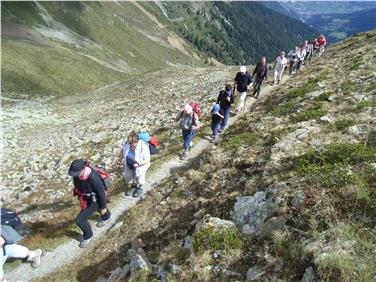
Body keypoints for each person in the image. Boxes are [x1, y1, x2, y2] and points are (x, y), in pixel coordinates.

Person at [68, 159, 111, 248]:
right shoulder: (77, 175)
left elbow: (101, 193)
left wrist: (103, 206)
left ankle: (88, 236)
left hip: (96, 199)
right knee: (97, 209)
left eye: (75, 173)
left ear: (83, 169)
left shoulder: (93, 177)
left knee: (80, 220)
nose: (74, 175)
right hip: (87, 197)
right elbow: (78, 185)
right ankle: (106, 216)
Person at [118, 132, 151, 198]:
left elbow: (148, 159)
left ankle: (140, 188)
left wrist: (139, 164)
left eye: (134, 143)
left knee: (139, 177)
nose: (132, 145)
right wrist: (120, 159)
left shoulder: (143, 145)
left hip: (140, 165)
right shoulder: (127, 143)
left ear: (137, 141)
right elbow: (123, 150)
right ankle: (133, 186)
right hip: (129, 164)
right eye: (131, 144)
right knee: (129, 176)